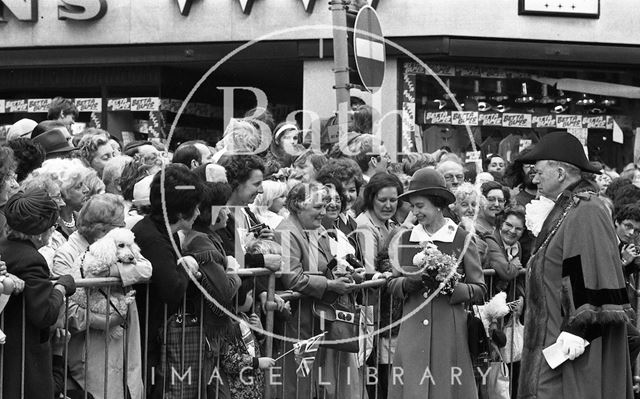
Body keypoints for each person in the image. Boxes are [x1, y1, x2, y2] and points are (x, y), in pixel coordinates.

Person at [516, 131, 634, 399]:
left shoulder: (587, 208)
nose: (534, 178)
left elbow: (595, 276)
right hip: (551, 343)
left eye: (539, 172)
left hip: (572, 347)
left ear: (559, 173)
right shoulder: (567, 209)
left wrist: (577, 331)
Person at [387, 167, 486, 399]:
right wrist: (409, 284)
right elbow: (392, 282)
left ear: (438, 204)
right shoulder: (405, 239)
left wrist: (452, 286)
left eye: (419, 206)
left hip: (449, 333)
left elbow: (480, 289)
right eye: (412, 206)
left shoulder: (461, 238)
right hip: (412, 331)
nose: (415, 212)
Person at [53, 193, 152, 399]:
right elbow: (67, 308)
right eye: (120, 224)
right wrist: (108, 319)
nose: (125, 227)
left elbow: (146, 268)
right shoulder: (67, 253)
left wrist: (111, 272)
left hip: (123, 341)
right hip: (90, 347)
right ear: (102, 228)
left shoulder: (120, 244)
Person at [274, 182, 361, 399]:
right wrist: (331, 285)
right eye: (318, 207)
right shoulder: (286, 233)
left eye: (324, 206)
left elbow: (325, 265)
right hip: (295, 323)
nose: (324, 212)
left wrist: (345, 273)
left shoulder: (314, 230)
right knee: (296, 384)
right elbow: (292, 278)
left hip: (314, 321)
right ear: (298, 206)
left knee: (313, 384)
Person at [131, 164, 206, 399]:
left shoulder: (166, 231)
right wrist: (187, 267)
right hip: (148, 339)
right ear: (181, 211)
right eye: (195, 207)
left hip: (156, 336)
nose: (198, 213)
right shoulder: (152, 236)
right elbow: (171, 289)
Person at [1, 188, 77, 399]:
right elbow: (44, 314)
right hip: (24, 361)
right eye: (52, 226)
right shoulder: (31, 259)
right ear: (40, 232)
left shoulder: (4, 249)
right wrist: (61, 287)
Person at [355, 172, 404, 272]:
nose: (388, 205)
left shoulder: (391, 222)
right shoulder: (365, 226)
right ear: (371, 199)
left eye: (393, 200)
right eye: (382, 200)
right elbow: (371, 270)